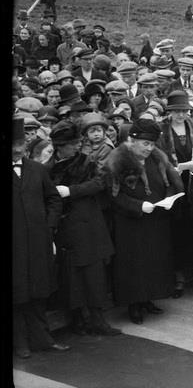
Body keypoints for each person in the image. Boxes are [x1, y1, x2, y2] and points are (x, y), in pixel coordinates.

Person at [104, 118, 183, 325]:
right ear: (132, 140)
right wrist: (138, 206)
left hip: (155, 219)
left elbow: (170, 182)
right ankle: (134, 304)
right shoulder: (118, 160)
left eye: (152, 144)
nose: (149, 148)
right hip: (130, 223)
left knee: (153, 260)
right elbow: (114, 195)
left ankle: (149, 298)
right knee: (134, 264)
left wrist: (169, 197)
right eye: (145, 144)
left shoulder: (157, 158)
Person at [47, 120, 120, 336]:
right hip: (66, 228)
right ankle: (78, 319)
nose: (77, 147)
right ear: (60, 147)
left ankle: (98, 319)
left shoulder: (86, 162)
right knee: (72, 277)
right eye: (72, 144)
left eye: (78, 142)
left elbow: (100, 183)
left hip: (89, 226)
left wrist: (71, 191)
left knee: (94, 276)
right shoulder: (47, 168)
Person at [13, 117, 69, 358]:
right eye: (14, 144)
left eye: (20, 143)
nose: (17, 149)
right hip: (14, 245)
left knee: (38, 292)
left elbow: (53, 199)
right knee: (17, 294)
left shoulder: (37, 169)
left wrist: (49, 225)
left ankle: (42, 339)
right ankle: (20, 343)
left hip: (38, 242)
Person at [157, 90, 193, 298]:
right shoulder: (162, 130)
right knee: (177, 232)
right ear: (169, 112)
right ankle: (178, 278)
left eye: (183, 111)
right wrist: (172, 169)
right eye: (176, 111)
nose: (180, 115)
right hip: (174, 186)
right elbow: (158, 158)